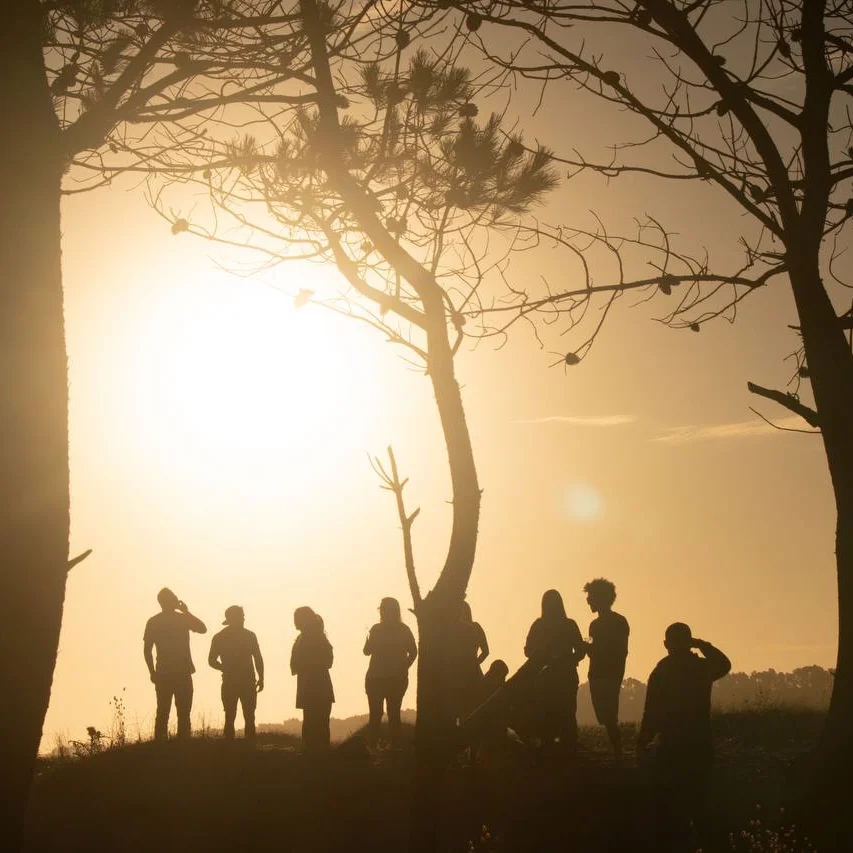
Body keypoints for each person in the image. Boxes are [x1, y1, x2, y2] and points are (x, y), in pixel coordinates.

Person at [637, 623, 731, 850]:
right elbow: (724, 664)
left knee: (667, 808)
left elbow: (652, 711)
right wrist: (701, 645)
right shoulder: (700, 668)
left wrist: (642, 741)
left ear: (666, 644)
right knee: (700, 803)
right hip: (699, 745)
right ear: (688, 643)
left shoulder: (661, 671)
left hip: (671, 748)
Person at [524, 589, 585, 753]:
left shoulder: (539, 625)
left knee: (549, 712)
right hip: (562, 676)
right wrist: (568, 660)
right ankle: (567, 746)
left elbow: (528, 650)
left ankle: (552, 746)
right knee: (566, 712)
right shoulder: (569, 624)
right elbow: (581, 651)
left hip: (550, 677)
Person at [143, 587, 207, 741]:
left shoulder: (154, 621)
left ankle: (161, 744)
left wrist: (152, 672)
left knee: (163, 711)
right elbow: (202, 628)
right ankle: (182, 744)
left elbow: (147, 650)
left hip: (164, 672)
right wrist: (186, 612)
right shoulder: (182, 619)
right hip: (181, 672)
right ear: (170, 601)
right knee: (183, 712)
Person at [363, 597, 417, 749]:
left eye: (382, 608)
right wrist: (404, 667)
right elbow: (413, 652)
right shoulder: (403, 629)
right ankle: (392, 746)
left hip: (377, 678)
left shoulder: (376, 629)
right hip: (391, 678)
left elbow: (367, 651)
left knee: (376, 714)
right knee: (392, 713)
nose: (381, 611)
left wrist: (403, 668)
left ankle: (374, 746)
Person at [584, 577, 629, 757]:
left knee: (609, 717)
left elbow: (618, 651)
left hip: (608, 674)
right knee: (606, 716)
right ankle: (617, 750)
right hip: (599, 674)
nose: (588, 602)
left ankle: (618, 751)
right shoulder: (596, 625)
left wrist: (590, 648)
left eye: (591, 598)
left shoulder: (617, 622)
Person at [208, 605, 264, 740]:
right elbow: (258, 658)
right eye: (241, 616)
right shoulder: (249, 636)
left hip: (234, 682)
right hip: (244, 682)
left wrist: (224, 668)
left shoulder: (220, 637)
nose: (244, 619)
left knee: (233, 716)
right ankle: (247, 747)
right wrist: (261, 678)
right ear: (235, 619)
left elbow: (211, 660)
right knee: (246, 716)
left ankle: (231, 747)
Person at [290, 606, 334, 753]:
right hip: (313, 685)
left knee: (316, 722)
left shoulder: (312, 638)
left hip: (314, 686)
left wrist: (306, 665)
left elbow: (328, 661)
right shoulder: (310, 637)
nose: (294, 621)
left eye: (297, 618)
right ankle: (316, 754)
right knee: (315, 722)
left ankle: (315, 754)